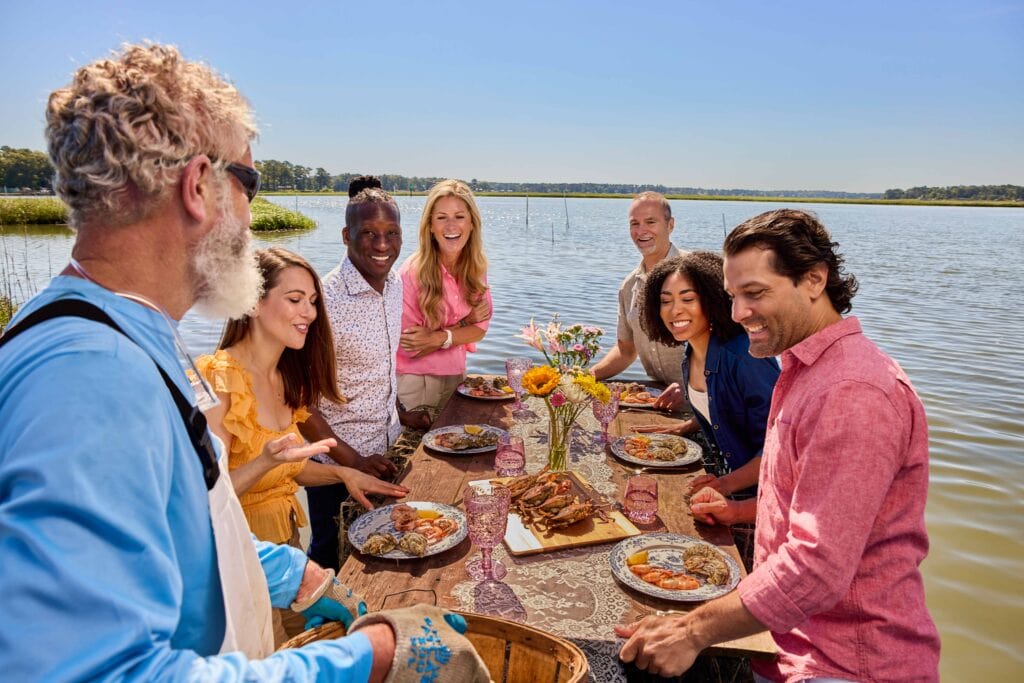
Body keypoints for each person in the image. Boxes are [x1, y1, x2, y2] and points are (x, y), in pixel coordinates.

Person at [0, 43, 488, 681]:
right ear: (197, 185)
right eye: (249, 183)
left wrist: (297, 573)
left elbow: (183, 530)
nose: (254, 216)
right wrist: (366, 657)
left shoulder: (125, 331)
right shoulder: (88, 374)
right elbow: (91, 669)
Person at [617, 209, 940, 681]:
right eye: (732, 296)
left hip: (845, 663)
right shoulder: (806, 370)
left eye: (755, 293)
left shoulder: (854, 392)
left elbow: (815, 569)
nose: (738, 313)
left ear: (814, 279)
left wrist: (691, 632)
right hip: (784, 644)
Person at [198, 246, 410, 644]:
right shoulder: (217, 378)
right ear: (253, 301)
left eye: (313, 301)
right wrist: (262, 461)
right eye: (295, 300)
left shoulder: (284, 377)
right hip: (241, 564)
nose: (310, 313)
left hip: (289, 555)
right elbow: (204, 500)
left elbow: (289, 466)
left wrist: (344, 473)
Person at [302, 181, 431, 570]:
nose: (382, 245)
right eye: (369, 234)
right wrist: (352, 460)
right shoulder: (323, 300)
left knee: (384, 552)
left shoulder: (394, 285)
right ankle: (319, 627)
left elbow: (377, 365)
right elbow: (300, 404)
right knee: (331, 555)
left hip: (387, 446)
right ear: (346, 236)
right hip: (337, 466)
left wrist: (401, 412)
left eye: (391, 234)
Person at [634, 251, 779, 496]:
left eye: (687, 299)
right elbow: (723, 409)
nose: (674, 310)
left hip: (756, 497)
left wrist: (725, 485)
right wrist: (688, 425)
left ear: (712, 300)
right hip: (721, 473)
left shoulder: (746, 357)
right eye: (666, 301)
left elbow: (778, 446)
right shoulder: (691, 353)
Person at [396, 178, 492, 412]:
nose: (451, 226)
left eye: (459, 216)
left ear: (471, 223)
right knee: (417, 447)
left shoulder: (475, 269)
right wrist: (463, 323)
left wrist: (436, 337)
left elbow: (479, 331)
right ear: (430, 225)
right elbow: (413, 347)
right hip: (416, 379)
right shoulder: (411, 272)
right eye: (442, 217)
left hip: (456, 373)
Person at [591, 191, 687, 409]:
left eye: (651, 222)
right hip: (659, 403)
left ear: (670, 225)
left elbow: (726, 342)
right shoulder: (629, 286)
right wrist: (588, 376)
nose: (641, 231)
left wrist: (695, 387)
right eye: (635, 223)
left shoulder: (696, 272)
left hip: (708, 402)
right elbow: (626, 350)